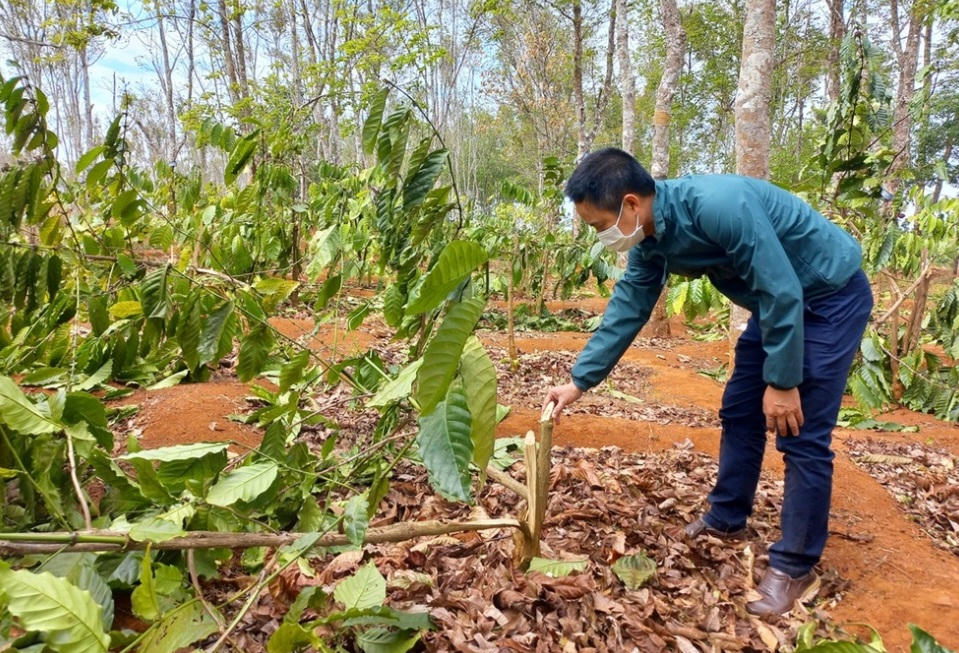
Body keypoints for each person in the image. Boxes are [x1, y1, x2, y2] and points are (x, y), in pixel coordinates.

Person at [544, 147, 873, 616]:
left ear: (631, 204)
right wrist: (579, 382)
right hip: (774, 304)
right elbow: (629, 306)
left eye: (600, 225)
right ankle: (727, 516)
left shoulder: (719, 205)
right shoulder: (651, 238)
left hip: (827, 297)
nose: (601, 235)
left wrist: (783, 383)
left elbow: (782, 288)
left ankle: (795, 564)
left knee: (800, 431)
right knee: (739, 410)